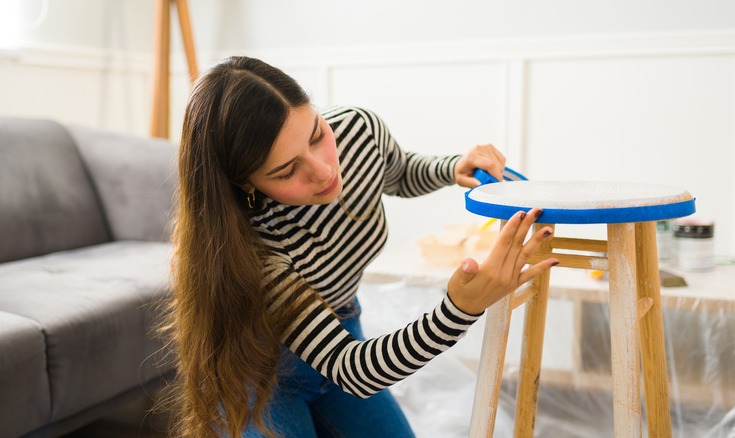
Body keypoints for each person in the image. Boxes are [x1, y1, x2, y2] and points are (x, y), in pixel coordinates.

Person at [165, 55, 558, 438]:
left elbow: (398, 171)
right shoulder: (251, 249)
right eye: (287, 170)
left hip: (344, 331)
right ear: (247, 184)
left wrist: (451, 167)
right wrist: (459, 309)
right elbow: (353, 369)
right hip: (265, 373)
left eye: (318, 135)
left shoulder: (358, 131)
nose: (324, 171)